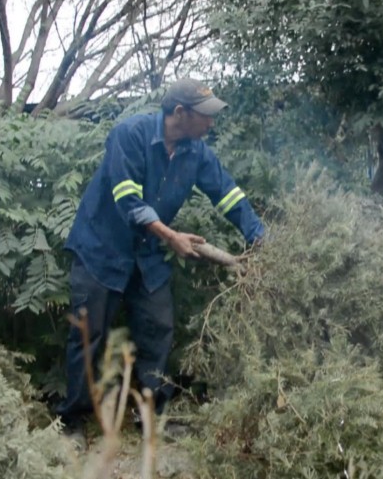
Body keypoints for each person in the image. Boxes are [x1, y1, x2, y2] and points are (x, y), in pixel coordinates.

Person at [56, 78, 264, 447]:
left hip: (146, 255)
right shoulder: (129, 134)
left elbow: (228, 194)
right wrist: (172, 237)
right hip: (102, 248)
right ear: (180, 113)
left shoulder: (196, 152)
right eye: (206, 116)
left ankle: (152, 416)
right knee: (90, 335)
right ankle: (73, 421)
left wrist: (259, 237)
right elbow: (128, 202)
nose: (211, 124)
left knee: (158, 328)